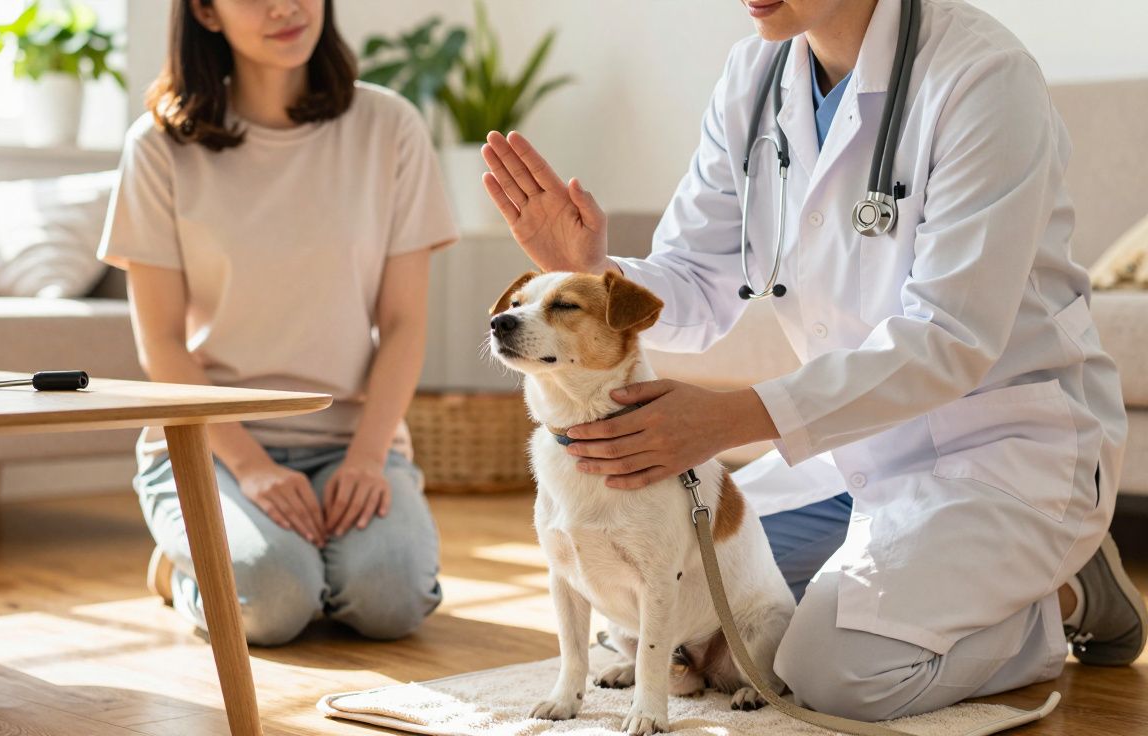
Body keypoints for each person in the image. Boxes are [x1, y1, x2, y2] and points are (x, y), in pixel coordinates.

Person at [479, 0, 1144, 720]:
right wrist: (593, 274)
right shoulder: (754, 76)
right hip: (845, 451)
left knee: (834, 671)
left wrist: (731, 419)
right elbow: (697, 274)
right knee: (675, 589)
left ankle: (1062, 595)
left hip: (995, 451)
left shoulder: (983, 76)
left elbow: (951, 335)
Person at [97, 0, 456, 646]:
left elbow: (404, 323)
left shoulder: (389, 127)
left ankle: (279, 561)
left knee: (391, 599)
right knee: (275, 602)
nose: (285, 6)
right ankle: (189, 571)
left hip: (351, 441)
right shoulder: (158, 146)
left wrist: (368, 458)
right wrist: (253, 465)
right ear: (206, 12)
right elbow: (162, 343)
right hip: (213, 445)